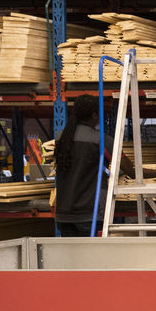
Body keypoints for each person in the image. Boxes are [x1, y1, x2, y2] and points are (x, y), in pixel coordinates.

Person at [53, 95, 128, 236]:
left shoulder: (60, 137)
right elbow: (129, 169)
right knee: (92, 256)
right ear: (94, 115)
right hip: (90, 213)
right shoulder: (101, 140)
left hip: (64, 214)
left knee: (70, 257)